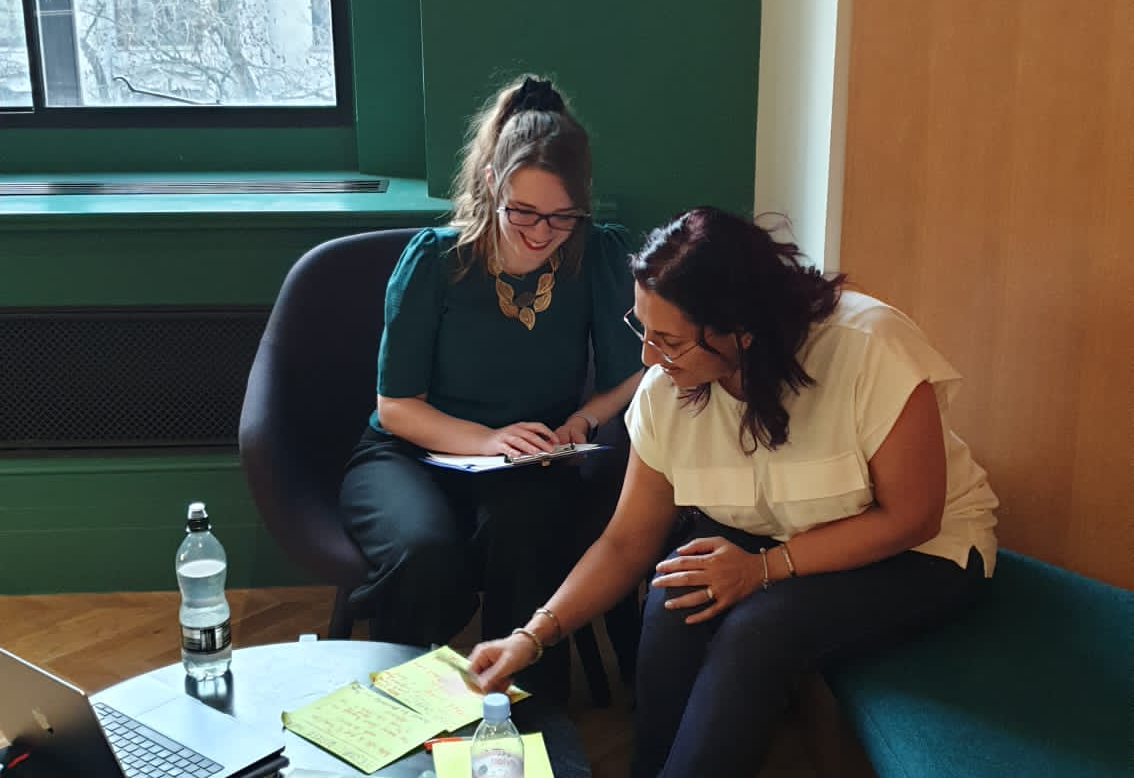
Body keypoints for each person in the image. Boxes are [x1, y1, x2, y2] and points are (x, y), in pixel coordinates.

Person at [468, 205, 999, 775]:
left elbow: (913, 516)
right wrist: (532, 636)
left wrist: (763, 568)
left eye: (669, 340)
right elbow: (625, 543)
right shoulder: (666, 390)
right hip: (773, 537)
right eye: (641, 328)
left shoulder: (868, 347)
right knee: (678, 598)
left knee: (760, 630)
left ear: (742, 331)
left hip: (919, 554)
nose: (648, 356)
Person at [337, 75, 643, 703]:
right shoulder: (436, 262)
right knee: (423, 549)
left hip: (527, 461)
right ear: (489, 188)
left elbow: (632, 373)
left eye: (561, 217)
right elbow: (395, 407)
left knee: (528, 531)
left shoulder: (595, 257)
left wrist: (583, 421)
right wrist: (487, 438)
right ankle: (403, 714)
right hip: (410, 452)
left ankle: (527, 725)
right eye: (523, 212)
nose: (539, 232)